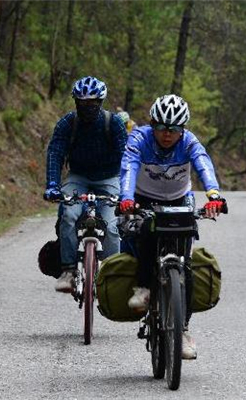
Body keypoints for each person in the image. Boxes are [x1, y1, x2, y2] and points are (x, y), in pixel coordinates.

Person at [118, 94, 225, 360]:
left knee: (185, 262)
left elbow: (203, 164)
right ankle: (144, 288)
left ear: (183, 129)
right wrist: (126, 198)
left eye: (175, 129)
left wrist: (213, 195)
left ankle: (184, 329)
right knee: (144, 233)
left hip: (180, 199)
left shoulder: (189, 142)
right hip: (142, 198)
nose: (168, 134)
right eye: (163, 128)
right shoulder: (140, 139)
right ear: (153, 124)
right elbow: (128, 166)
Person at [43, 76, 128, 293]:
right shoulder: (67, 124)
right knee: (69, 215)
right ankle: (69, 270)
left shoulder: (114, 123)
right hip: (78, 176)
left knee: (111, 225)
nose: (87, 108)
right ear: (75, 103)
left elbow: (127, 158)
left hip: (109, 178)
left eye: (92, 103)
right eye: (82, 103)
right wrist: (52, 184)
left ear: (100, 102)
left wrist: (127, 191)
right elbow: (55, 153)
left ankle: (112, 274)